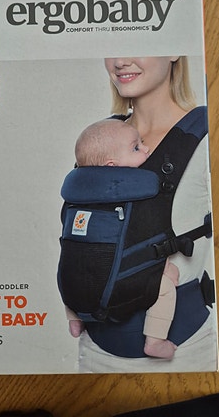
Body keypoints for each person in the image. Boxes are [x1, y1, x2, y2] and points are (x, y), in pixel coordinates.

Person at [77, 56, 217, 372]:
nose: (121, 61)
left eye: (138, 42)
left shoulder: (207, 136)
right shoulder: (98, 139)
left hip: (185, 353)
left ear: (173, 51)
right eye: (113, 46)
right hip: (94, 351)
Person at [66, 117, 180, 359]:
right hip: (115, 290)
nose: (146, 149)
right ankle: (155, 341)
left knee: (73, 274)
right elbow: (142, 241)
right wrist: (165, 265)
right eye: (136, 148)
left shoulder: (76, 196)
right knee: (166, 288)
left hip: (73, 287)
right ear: (112, 166)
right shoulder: (136, 193)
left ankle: (75, 320)